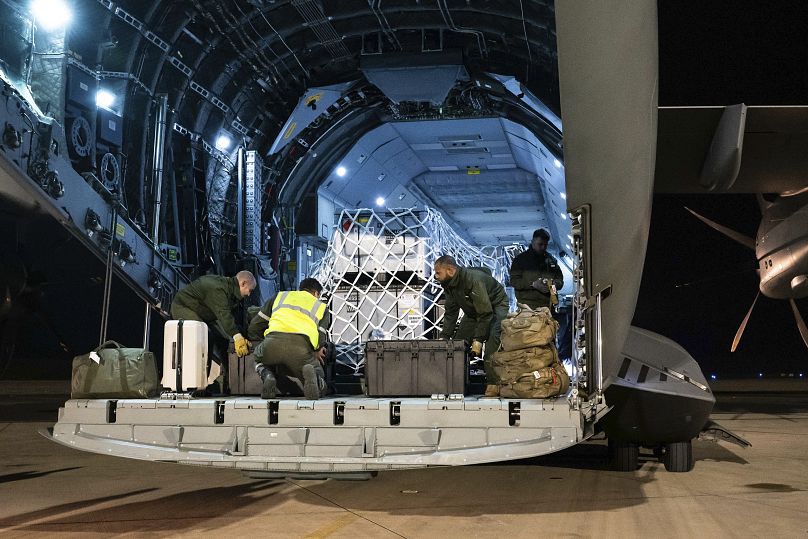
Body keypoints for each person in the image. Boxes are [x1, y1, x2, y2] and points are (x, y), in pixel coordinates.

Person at [434, 255, 509, 397]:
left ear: (450, 270)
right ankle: (456, 383)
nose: (435, 276)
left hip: (495, 306)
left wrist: (478, 339)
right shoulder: (449, 285)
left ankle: (494, 383)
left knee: (492, 341)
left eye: (438, 273)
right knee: (458, 343)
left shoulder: (473, 280)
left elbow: (485, 313)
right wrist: (444, 337)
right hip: (474, 310)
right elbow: (451, 312)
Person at [253, 278, 327, 400]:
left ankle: (268, 376)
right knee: (317, 372)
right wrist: (317, 349)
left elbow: (255, 325)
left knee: (257, 357)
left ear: (300, 289)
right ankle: (315, 379)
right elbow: (321, 338)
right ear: (316, 293)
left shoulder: (280, 296)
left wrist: (263, 340)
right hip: (300, 349)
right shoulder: (321, 307)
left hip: (271, 343)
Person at [170, 270, 257, 358]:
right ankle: (196, 365)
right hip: (183, 306)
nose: (249, 294)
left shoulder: (230, 291)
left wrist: (241, 335)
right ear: (243, 283)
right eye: (250, 290)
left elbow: (229, 318)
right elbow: (224, 314)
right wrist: (237, 336)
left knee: (223, 339)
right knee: (203, 335)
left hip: (203, 312)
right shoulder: (219, 288)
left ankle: (223, 367)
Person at [509, 229, 563, 310]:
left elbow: (560, 281)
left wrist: (553, 284)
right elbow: (514, 281)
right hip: (528, 307)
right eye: (540, 244)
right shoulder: (520, 260)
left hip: (548, 306)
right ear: (533, 242)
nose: (543, 247)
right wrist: (533, 284)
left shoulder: (551, 260)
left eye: (545, 245)